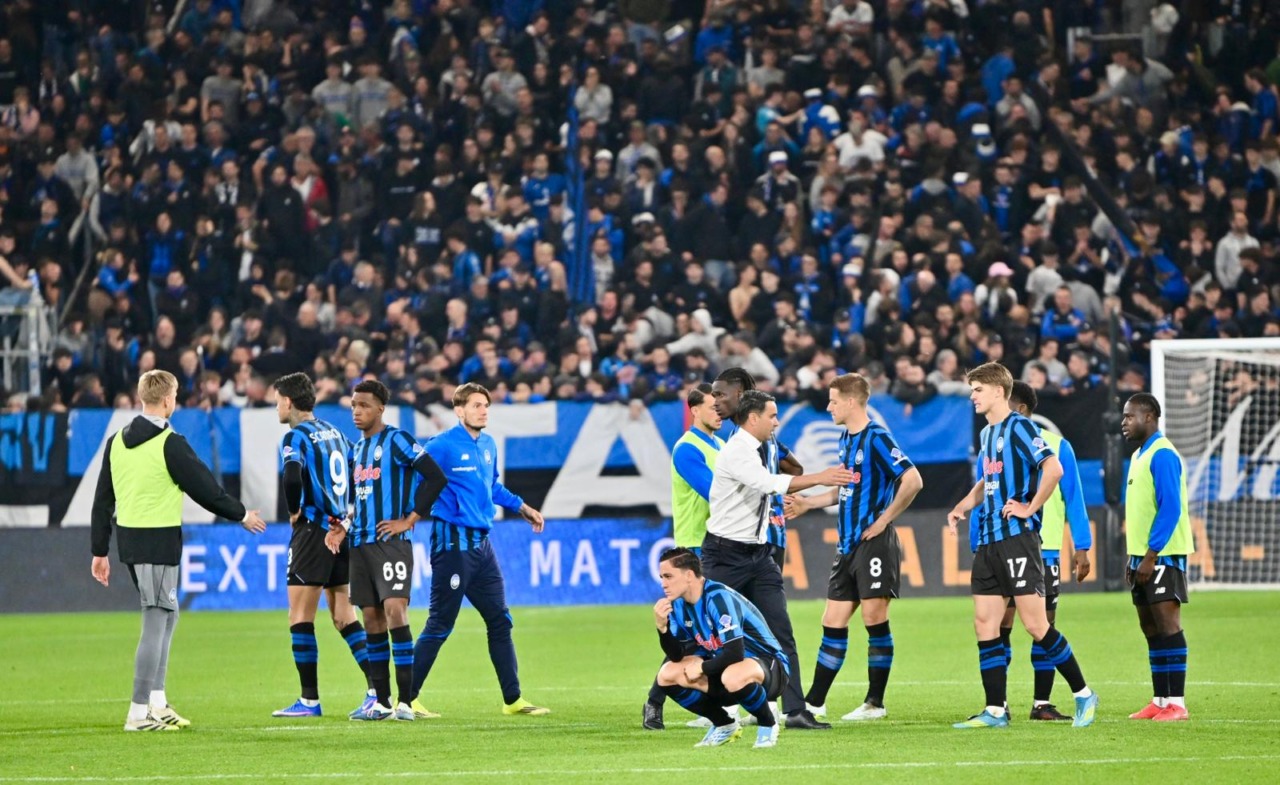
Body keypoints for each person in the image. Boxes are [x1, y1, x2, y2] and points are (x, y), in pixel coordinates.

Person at [90, 370, 266, 731]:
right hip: (156, 542)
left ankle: (157, 702)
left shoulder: (116, 442)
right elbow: (205, 488)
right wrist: (242, 515)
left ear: (143, 398)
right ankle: (137, 712)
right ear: (169, 400)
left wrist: (99, 550)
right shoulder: (169, 442)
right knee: (156, 619)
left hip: (131, 541)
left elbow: (102, 500)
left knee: (168, 616)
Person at [946, 362, 1098, 729]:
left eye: (978, 390)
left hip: (1018, 540)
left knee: (1035, 624)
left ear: (999, 391)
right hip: (989, 541)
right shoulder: (987, 434)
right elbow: (987, 480)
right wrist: (963, 506)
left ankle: (1083, 693)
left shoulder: (1021, 427)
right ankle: (995, 710)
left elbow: (1053, 469)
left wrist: (1030, 507)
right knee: (985, 623)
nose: (972, 397)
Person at [705, 389, 855, 730]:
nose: (776, 422)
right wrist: (820, 477)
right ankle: (664, 698)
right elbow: (767, 483)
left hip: (759, 555)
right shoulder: (737, 450)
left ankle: (796, 711)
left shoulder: (763, 448)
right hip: (724, 555)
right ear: (753, 418)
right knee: (710, 632)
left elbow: (779, 476)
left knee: (780, 631)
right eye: (772, 416)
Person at [783, 373, 923, 721]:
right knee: (832, 620)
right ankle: (815, 702)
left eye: (833, 401)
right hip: (847, 545)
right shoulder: (846, 438)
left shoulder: (877, 437)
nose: (828, 407)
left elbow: (912, 479)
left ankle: (875, 703)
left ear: (850, 401)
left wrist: (884, 519)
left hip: (875, 543)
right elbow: (845, 489)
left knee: (874, 618)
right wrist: (809, 503)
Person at [408, 382, 551, 718]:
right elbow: (416, 481)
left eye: (486, 405)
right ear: (459, 411)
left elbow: (491, 486)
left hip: (482, 547)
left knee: (500, 620)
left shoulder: (488, 445)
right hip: (452, 544)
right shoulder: (441, 446)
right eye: (476, 405)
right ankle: (406, 697)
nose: (483, 411)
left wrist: (522, 507)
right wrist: (409, 516)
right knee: (440, 624)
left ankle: (513, 700)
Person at [324, 380, 447, 721]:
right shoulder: (356, 451)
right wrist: (343, 527)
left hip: (391, 542)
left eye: (363, 405)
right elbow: (357, 501)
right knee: (371, 618)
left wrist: (409, 520)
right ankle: (381, 702)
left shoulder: (398, 440)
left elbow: (435, 478)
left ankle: (406, 702)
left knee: (395, 610)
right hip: (360, 543)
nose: (356, 411)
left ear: (380, 408)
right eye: (353, 405)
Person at [269, 372, 373, 718]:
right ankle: (377, 689)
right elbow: (358, 475)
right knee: (344, 615)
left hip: (313, 531)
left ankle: (309, 701)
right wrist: (346, 517)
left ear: (288, 402)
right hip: (340, 532)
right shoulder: (335, 432)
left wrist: (293, 510)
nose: (276, 407)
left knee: (299, 615)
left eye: (277, 401)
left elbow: (291, 476)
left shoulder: (294, 436)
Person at [1003, 381, 1093, 721]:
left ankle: (1042, 703)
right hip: (1003, 545)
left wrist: (1082, 546)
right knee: (999, 626)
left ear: (1021, 409)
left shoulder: (1056, 446)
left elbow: (1074, 498)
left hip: (1045, 550)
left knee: (1044, 625)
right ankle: (998, 703)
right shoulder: (995, 442)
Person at [645, 382, 725, 730]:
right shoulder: (687, 448)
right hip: (695, 547)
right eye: (712, 407)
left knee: (714, 627)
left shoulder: (720, 445)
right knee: (689, 633)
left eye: (720, 406)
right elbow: (714, 492)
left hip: (719, 544)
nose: (719, 412)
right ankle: (655, 700)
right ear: (695, 410)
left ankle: (724, 701)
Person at [653, 547, 790, 749]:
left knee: (732, 675)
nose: (663, 583)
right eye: (662, 577)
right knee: (667, 674)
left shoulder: (717, 597)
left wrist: (702, 668)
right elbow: (676, 655)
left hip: (770, 666)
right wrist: (662, 629)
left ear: (689, 575)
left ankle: (768, 724)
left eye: (668, 576)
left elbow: (735, 653)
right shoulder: (678, 605)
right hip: (727, 668)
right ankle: (724, 724)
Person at [1120, 393, 1193, 722]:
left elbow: (1171, 508)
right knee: (1149, 627)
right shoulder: (1139, 455)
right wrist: (1134, 557)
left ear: (1148, 417)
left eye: (1129, 416)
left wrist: (1151, 555)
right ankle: (1160, 700)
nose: (1124, 422)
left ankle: (1177, 703)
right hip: (1143, 557)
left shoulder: (1162, 454)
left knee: (1168, 625)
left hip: (1163, 555)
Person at [710, 368, 801, 571]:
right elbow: (795, 468)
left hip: (756, 538)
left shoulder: (747, 438)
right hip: (774, 533)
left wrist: (776, 488)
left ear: (740, 394)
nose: (715, 402)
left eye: (720, 395)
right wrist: (779, 493)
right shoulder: (766, 436)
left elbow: (771, 479)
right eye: (714, 396)